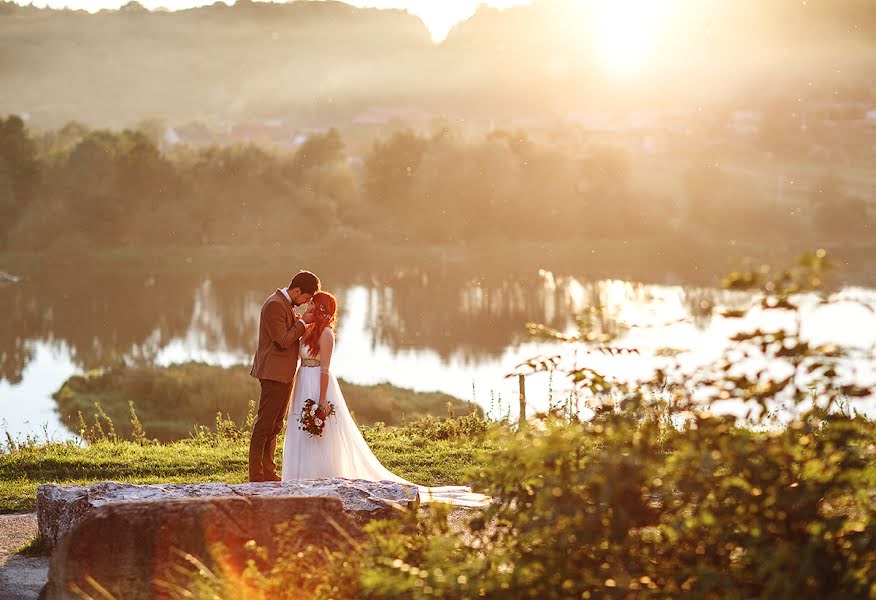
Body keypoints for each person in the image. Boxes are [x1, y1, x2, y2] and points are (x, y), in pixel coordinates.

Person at [282, 291, 489, 507]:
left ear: (321, 309)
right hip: (303, 380)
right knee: (300, 428)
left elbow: (325, 370)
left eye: (313, 304)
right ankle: (299, 478)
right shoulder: (308, 329)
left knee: (320, 431)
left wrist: (321, 400)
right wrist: (299, 324)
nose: (309, 306)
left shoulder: (326, 334)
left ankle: (319, 476)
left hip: (317, 382)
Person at [248, 270, 320, 482]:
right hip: (273, 374)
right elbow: (282, 340)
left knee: (276, 425)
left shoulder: (284, 304)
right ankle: (256, 474)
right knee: (265, 425)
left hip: (284, 374)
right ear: (297, 290)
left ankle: (268, 471)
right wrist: (303, 324)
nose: (307, 302)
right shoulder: (274, 305)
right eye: (306, 298)